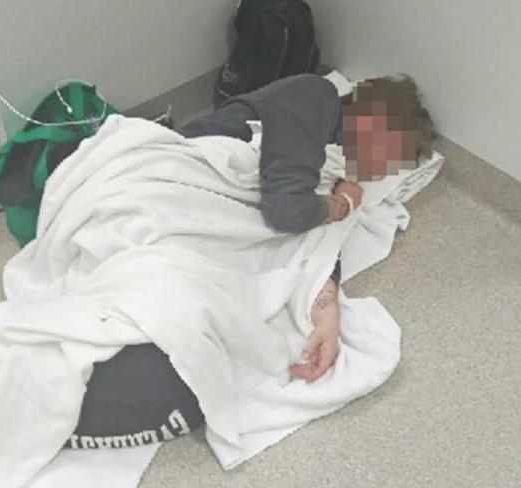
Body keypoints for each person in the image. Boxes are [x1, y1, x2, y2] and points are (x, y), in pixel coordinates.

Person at [177, 72, 435, 383]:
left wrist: (327, 318)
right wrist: (341, 204)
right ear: (375, 122)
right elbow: (288, 212)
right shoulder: (314, 95)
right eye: (389, 158)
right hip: (178, 178)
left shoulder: (326, 174)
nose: (379, 173)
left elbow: (316, 246)